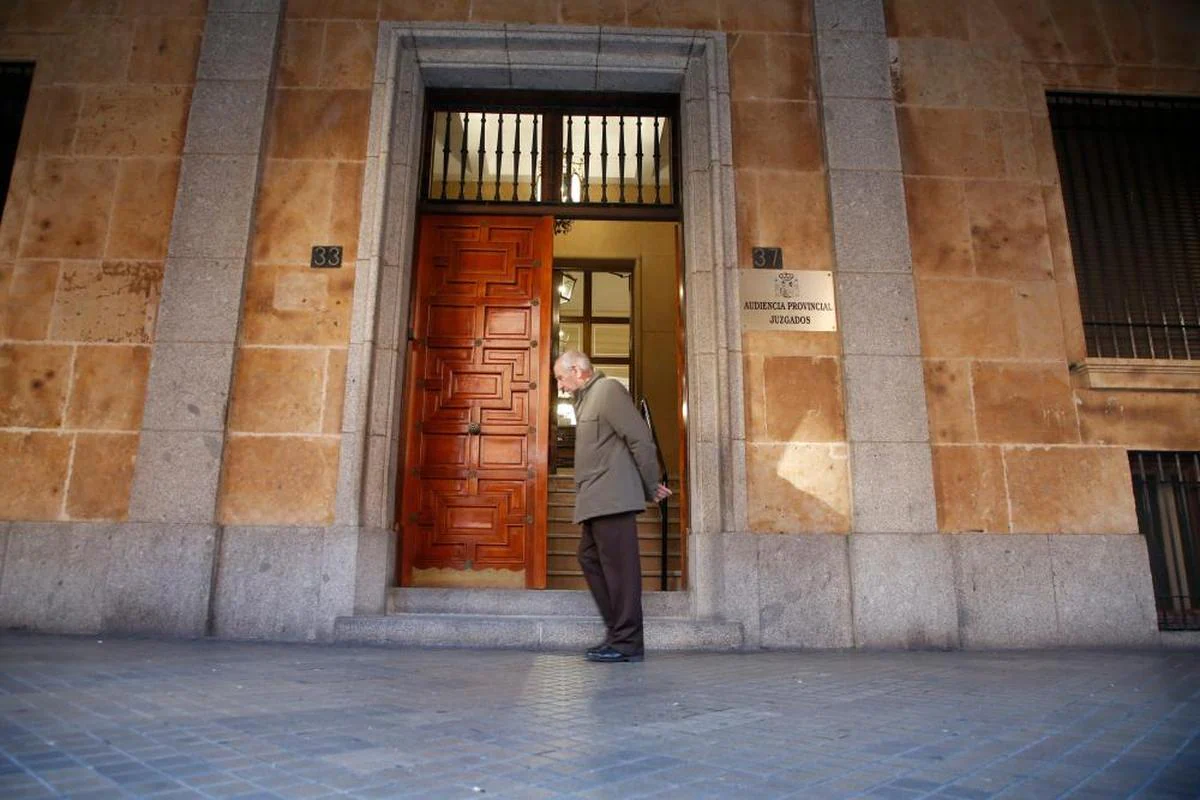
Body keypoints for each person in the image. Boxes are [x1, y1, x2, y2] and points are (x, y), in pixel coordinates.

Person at [553, 350, 672, 663]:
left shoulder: (608, 391)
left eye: (561, 378)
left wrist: (650, 484)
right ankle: (617, 632)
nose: (560, 386)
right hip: (596, 499)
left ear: (578, 370)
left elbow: (640, 439)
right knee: (589, 558)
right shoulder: (586, 400)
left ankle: (627, 641)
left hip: (612, 498)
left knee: (620, 571)